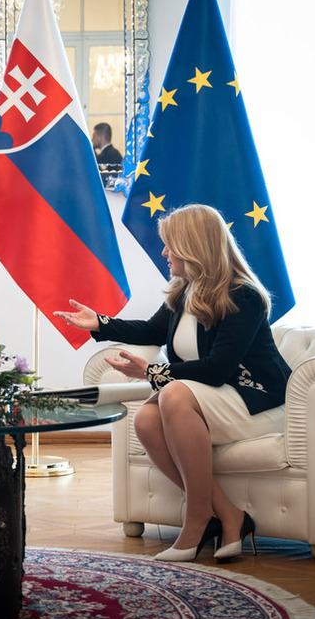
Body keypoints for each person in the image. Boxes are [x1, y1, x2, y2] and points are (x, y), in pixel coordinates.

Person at [55, 204, 291, 562]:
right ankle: (227, 514)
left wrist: (152, 374)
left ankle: (196, 521)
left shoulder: (243, 296)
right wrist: (100, 323)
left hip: (256, 401)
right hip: (216, 398)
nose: (164, 252)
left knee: (174, 394)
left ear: (194, 247)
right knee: (145, 420)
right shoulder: (185, 291)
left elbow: (217, 370)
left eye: (170, 245)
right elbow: (152, 330)